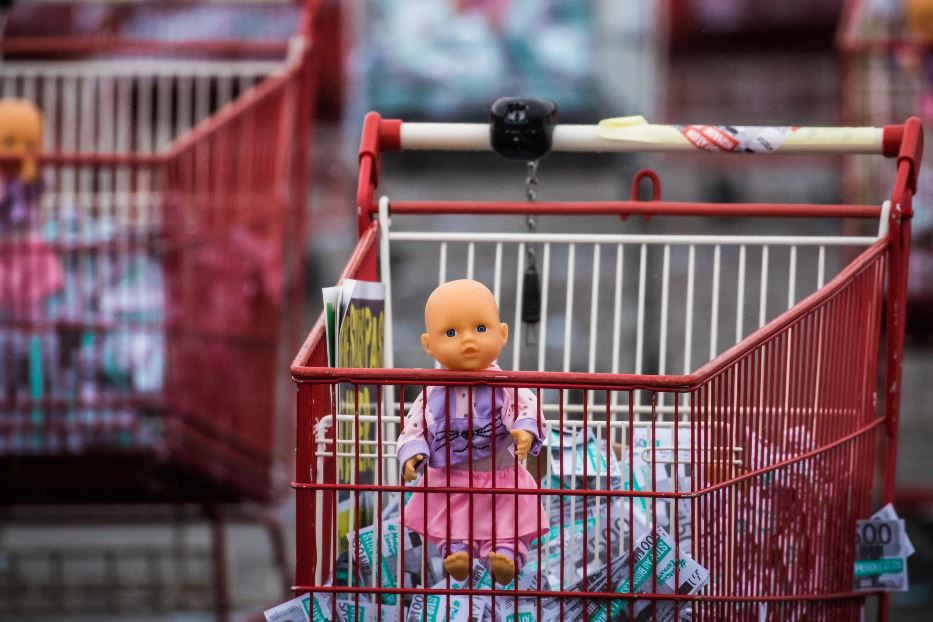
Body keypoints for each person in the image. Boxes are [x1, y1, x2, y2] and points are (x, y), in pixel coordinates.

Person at [396, 279, 547, 585]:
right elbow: (414, 425)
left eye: (480, 329)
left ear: (501, 334)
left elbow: (526, 406)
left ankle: (507, 554)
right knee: (452, 516)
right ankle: (455, 550)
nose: (468, 340)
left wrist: (524, 430)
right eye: (451, 333)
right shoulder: (432, 393)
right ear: (429, 344)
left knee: (506, 518)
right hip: (452, 476)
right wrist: (412, 454)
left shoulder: (504, 386)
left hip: (500, 474)